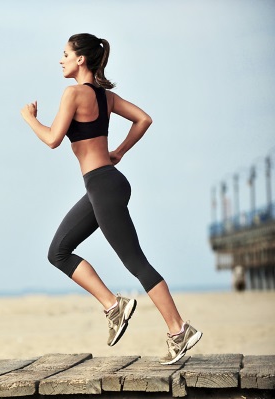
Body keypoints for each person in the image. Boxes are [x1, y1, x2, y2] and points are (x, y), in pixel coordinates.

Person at [20, 33, 202, 365]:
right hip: (103, 184)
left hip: (103, 186)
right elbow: (143, 119)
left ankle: (178, 330)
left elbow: (52, 139)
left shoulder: (72, 93)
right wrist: (118, 151)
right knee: (58, 251)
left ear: (80, 60)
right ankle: (113, 306)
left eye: (64, 54)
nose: (60, 60)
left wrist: (30, 118)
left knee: (136, 262)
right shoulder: (107, 98)